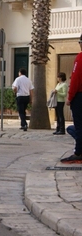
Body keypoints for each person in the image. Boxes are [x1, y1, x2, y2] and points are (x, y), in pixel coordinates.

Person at [61, 34, 82, 163]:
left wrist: (70, 97)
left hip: (79, 96)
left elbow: (75, 80)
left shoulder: (80, 58)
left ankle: (79, 152)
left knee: (78, 126)